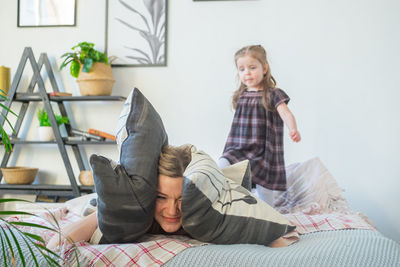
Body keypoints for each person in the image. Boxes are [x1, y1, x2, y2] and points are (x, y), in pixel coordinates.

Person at [47, 144, 290, 249]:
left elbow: (278, 237)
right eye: (161, 197)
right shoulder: (134, 209)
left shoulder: (209, 209)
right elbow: (56, 245)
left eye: (182, 199)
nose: (172, 211)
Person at [219, 45, 301, 206]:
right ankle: (233, 206)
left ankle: (269, 215)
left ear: (264, 68)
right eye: (241, 69)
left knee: (264, 189)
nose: (247, 73)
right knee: (222, 165)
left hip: (263, 151)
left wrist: (293, 129)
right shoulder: (241, 95)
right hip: (238, 147)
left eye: (252, 67)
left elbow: (285, 112)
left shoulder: (272, 94)